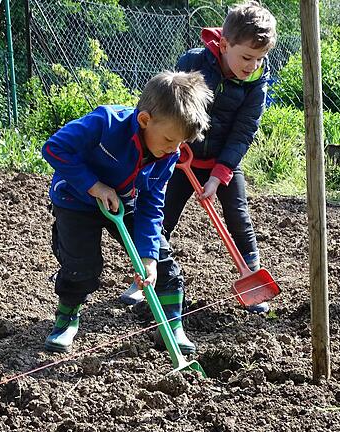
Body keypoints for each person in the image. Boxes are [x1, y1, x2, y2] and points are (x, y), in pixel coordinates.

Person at [118, 1, 277, 314]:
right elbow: (178, 108)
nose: (252, 65)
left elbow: (245, 129)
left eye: (260, 59)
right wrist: (176, 145)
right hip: (181, 156)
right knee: (162, 215)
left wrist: (220, 174)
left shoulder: (258, 78)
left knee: (237, 215)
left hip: (223, 160)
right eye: (246, 57)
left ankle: (253, 278)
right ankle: (144, 278)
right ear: (224, 43)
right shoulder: (194, 61)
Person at [42, 71, 212, 355]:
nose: (174, 149)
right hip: (74, 198)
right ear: (145, 120)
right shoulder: (105, 122)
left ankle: (171, 325)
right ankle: (66, 319)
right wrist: (94, 186)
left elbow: (152, 203)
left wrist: (148, 257)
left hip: (124, 201)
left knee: (163, 262)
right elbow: (55, 149)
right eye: (169, 140)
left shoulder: (167, 154)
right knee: (82, 267)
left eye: (180, 143)